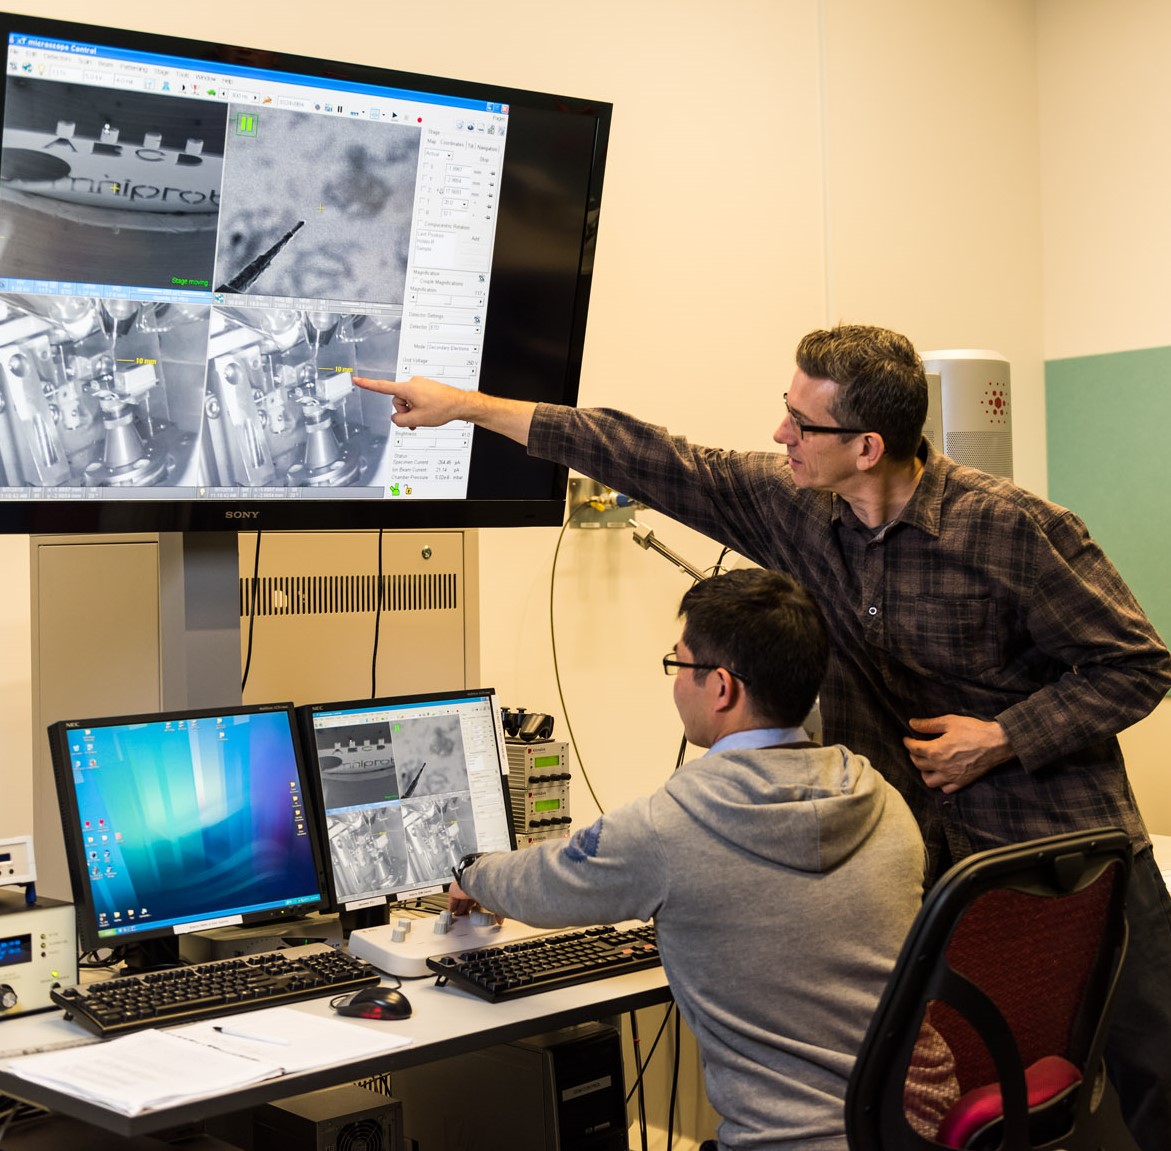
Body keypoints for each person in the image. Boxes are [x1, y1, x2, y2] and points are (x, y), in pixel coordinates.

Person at [355, 325, 1171, 1150]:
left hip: (1066, 860)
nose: (780, 434)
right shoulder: (793, 507)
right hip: (932, 868)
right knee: (970, 1107)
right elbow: (650, 456)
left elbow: (1136, 663)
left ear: (866, 445)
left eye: (799, 423)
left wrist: (1000, 735)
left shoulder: (1010, 530)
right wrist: (468, 407)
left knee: (1149, 1076)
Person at [444, 567, 924, 1150]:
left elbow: (542, 885)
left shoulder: (670, 826)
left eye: (679, 666)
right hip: (919, 1129)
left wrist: (472, 870)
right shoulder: (885, 804)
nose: (675, 685)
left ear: (722, 687)